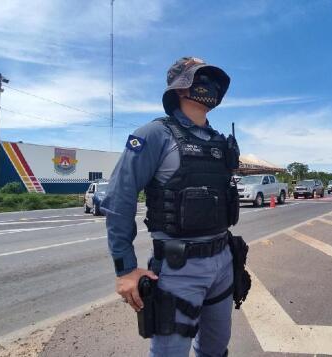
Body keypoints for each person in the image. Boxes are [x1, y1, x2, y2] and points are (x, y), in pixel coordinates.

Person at [102, 56, 240, 356]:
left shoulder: (219, 142)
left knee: (216, 349)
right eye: (201, 79)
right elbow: (119, 198)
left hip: (223, 261)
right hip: (179, 269)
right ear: (180, 89)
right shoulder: (153, 134)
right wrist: (125, 269)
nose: (211, 87)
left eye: (214, 81)